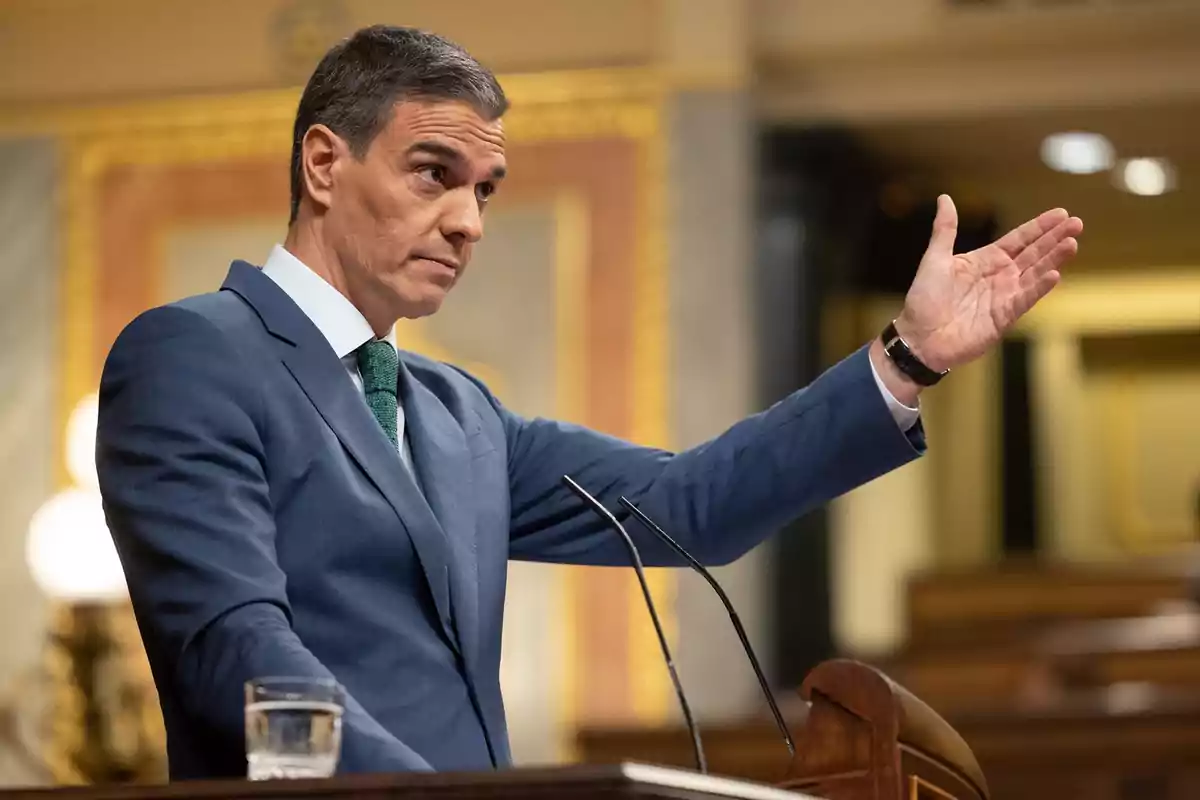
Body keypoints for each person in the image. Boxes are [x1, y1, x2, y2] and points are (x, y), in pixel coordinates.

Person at [95, 24, 1083, 780]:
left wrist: (906, 360)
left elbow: (694, 504)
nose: (467, 221)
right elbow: (241, 652)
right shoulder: (194, 353)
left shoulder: (459, 414)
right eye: (434, 174)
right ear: (323, 163)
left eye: (485, 188)